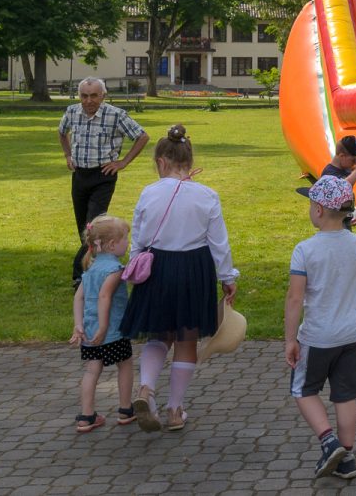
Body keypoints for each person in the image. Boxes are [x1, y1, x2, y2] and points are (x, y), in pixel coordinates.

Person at [120, 124, 239, 433]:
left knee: (159, 335)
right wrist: (227, 277)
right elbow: (219, 243)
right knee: (186, 340)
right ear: (189, 159)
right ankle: (175, 410)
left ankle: (146, 389)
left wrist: (135, 264)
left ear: (161, 162)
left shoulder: (149, 192)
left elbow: (141, 236)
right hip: (194, 269)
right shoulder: (207, 195)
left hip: (157, 267)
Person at [285, 175, 356, 480]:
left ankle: (329, 440)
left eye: (311, 205)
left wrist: (289, 340)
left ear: (320, 211)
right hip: (353, 333)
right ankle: (347, 458)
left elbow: (295, 298)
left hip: (318, 336)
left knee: (303, 389)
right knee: (345, 395)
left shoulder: (305, 250)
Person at [59, 77, 150, 287]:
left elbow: (142, 136)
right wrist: (67, 155)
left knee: (93, 227)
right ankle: (92, 265)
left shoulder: (115, 115)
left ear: (103, 96)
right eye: (84, 95)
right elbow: (62, 132)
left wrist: (123, 162)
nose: (89, 100)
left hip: (103, 176)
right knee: (83, 228)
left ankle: (80, 276)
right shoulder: (72, 112)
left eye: (94, 95)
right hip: (80, 175)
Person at [69, 214, 134, 432]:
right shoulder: (114, 270)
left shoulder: (91, 269)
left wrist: (78, 325)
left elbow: (78, 298)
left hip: (89, 332)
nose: (128, 242)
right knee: (124, 364)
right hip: (112, 331)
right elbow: (105, 297)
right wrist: (105, 326)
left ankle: (86, 416)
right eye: (126, 238)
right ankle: (125, 410)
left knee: (91, 371)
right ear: (113, 244)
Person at [319, 136, 356, 227]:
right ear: (342, 156)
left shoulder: (344, 168)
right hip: (333, 223)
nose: (355, 163)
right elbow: (342, 187)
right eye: (353, 160)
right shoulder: (329, 174)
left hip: (343, 218)